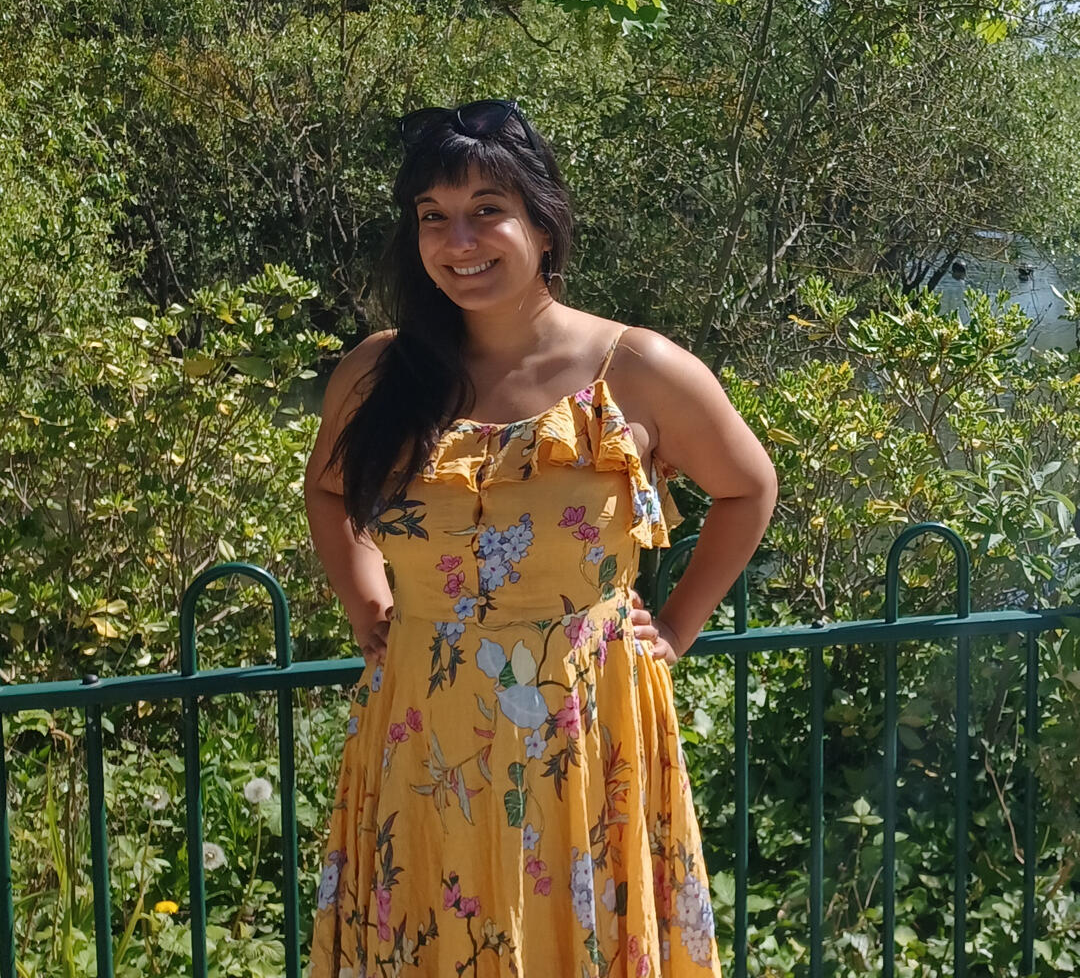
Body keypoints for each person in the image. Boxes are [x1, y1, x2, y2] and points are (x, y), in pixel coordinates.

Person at [304, 99, 777, 977]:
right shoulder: (381, 370)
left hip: (582, 727)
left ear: (543, 222)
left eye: (488, 209)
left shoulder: (635, 370)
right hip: (422, 727)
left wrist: (675, 629)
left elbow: (749, 488)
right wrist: (368, 603)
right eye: (433, 217)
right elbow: (328, 494)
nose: (460, 239)